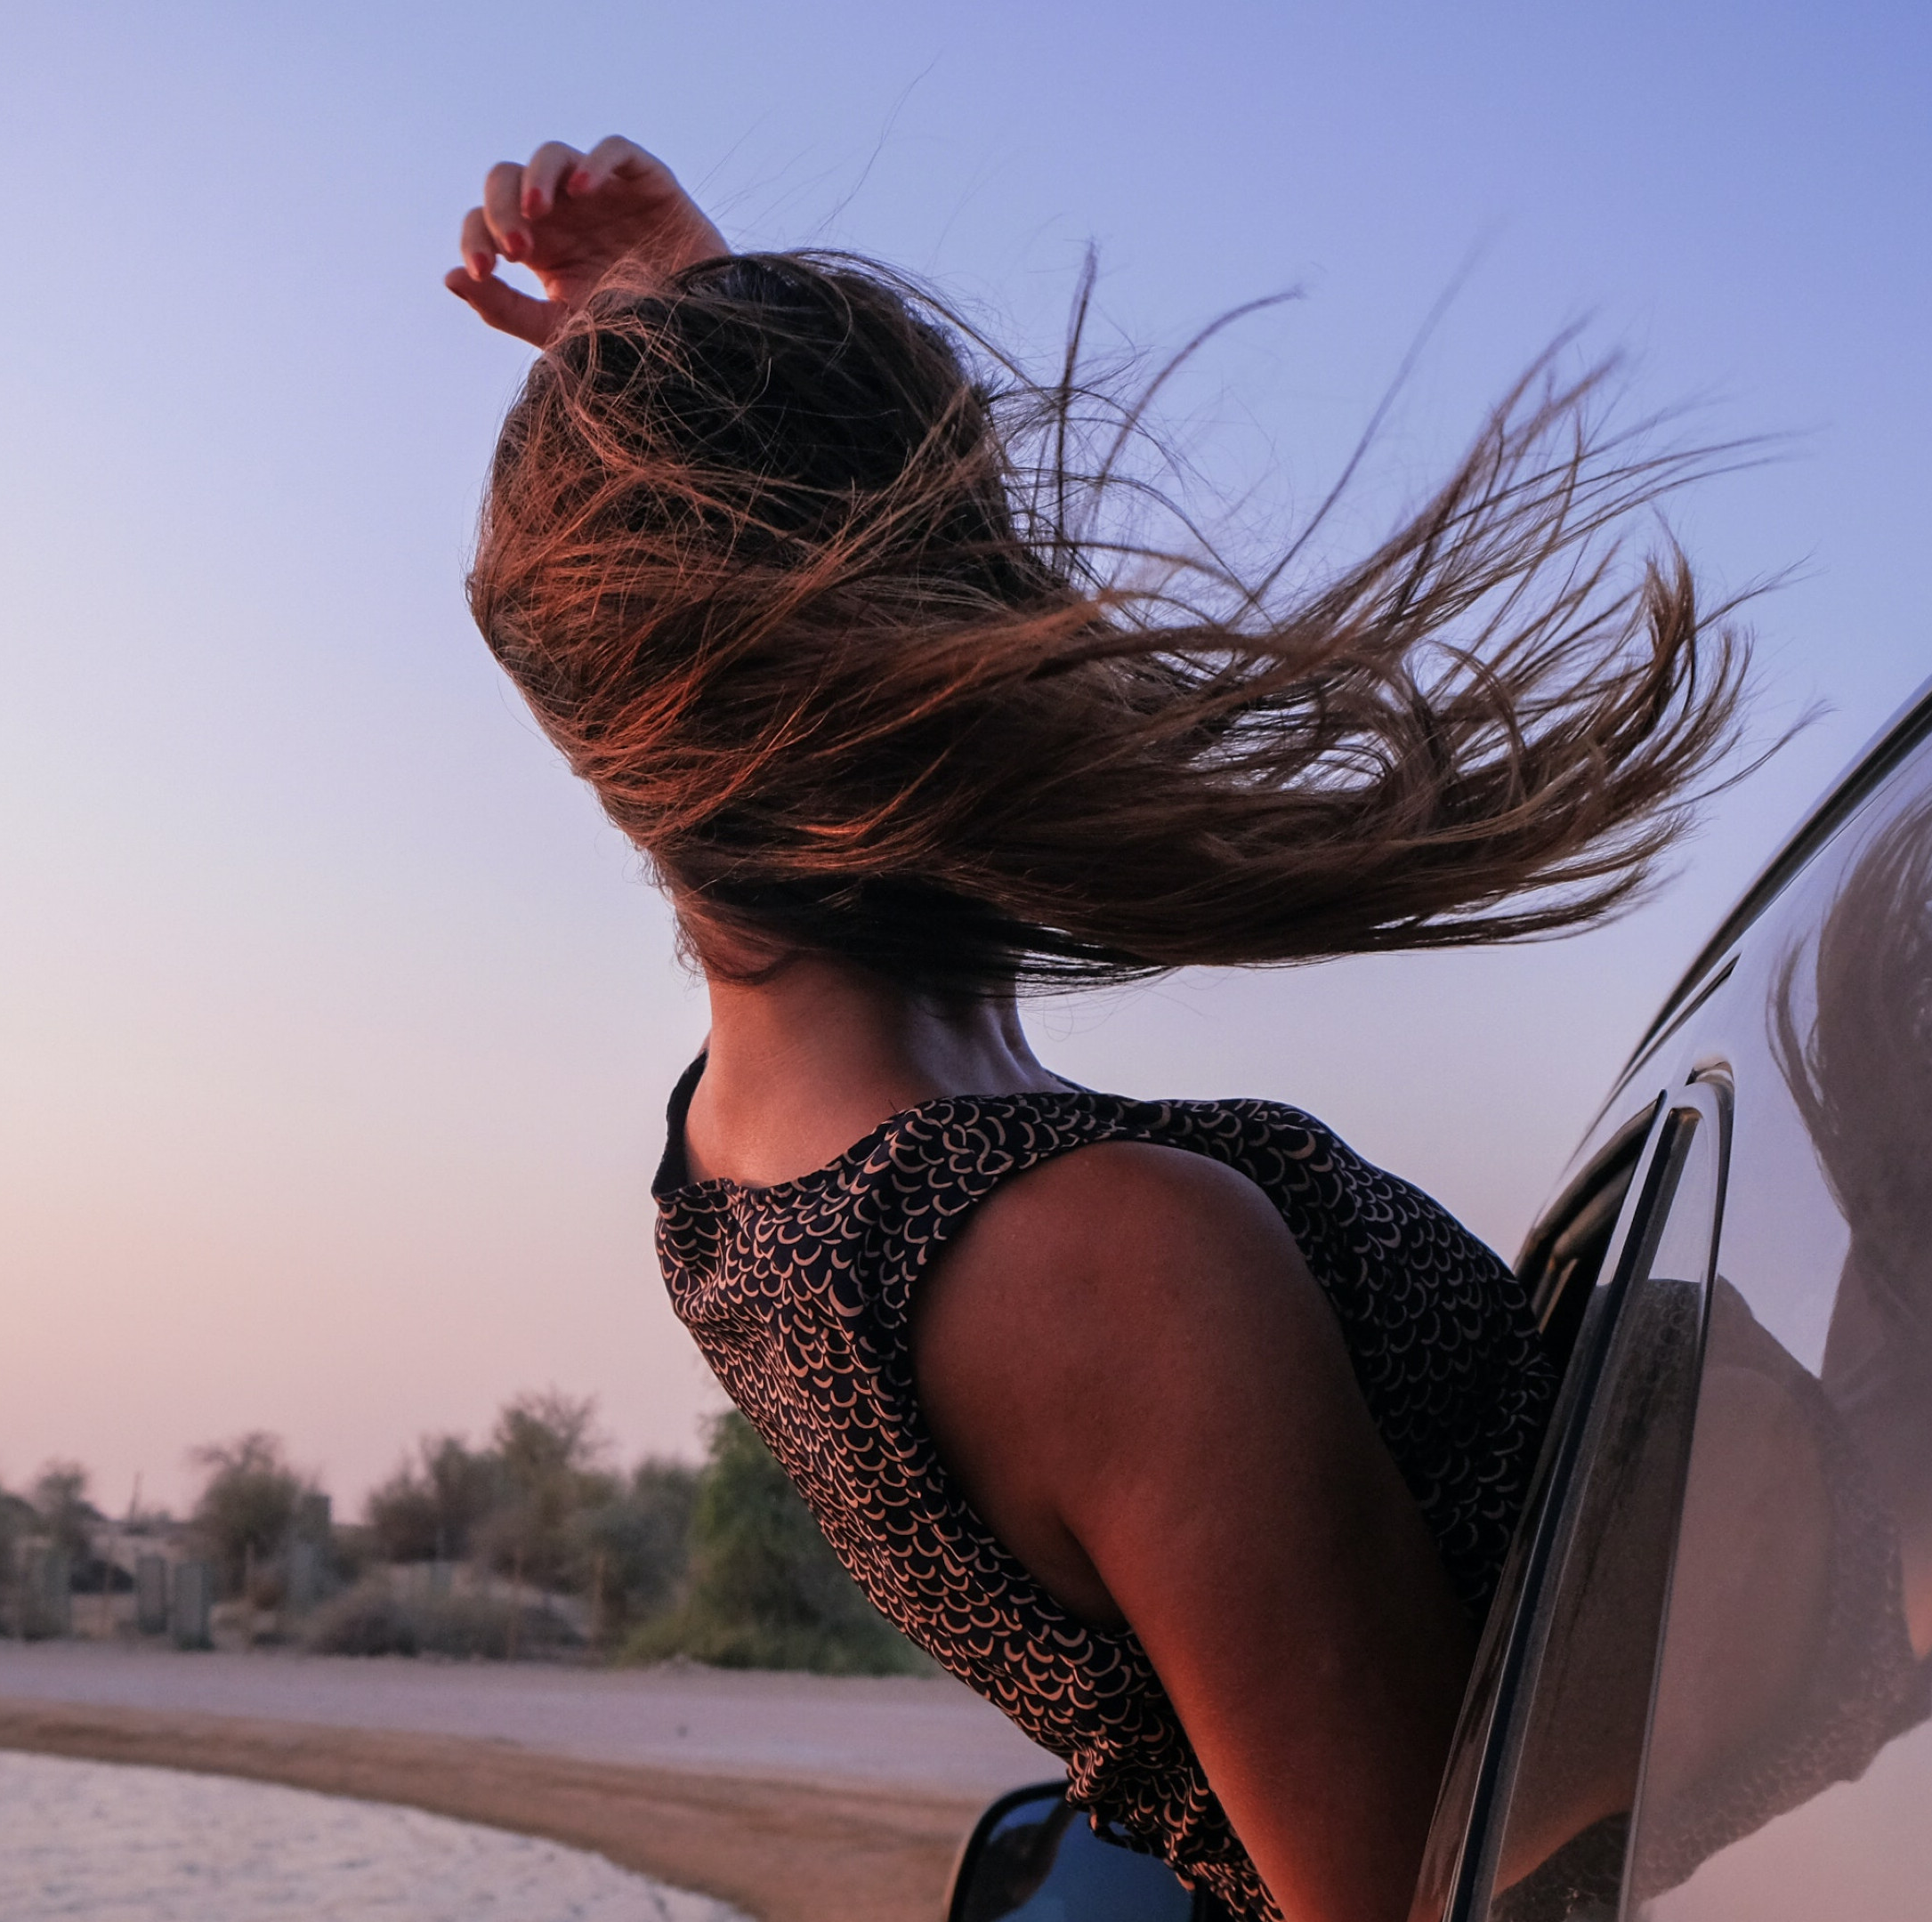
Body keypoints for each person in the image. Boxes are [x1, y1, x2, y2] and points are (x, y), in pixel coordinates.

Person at [443, 138, 1756, 1922]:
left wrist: (677, 352)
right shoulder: (1108, 1265)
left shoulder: (745, 1187)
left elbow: (793, 674)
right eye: (970, 533)